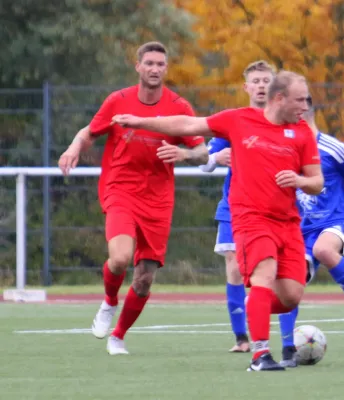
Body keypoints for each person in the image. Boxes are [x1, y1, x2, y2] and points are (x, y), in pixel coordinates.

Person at [112, 70, 324, 371]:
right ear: (279, 99)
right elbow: (186, 123)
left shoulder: (301, 132)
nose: (305, 106)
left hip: (288, 222)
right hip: (250, 217)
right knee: (264, 273)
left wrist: (300, 180)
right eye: (300, 100)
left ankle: (255, 307)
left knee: (290, 296)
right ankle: (260, 355)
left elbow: (317, 182)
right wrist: (139, 121)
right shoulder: (239, 119)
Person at [57, 41, 208, 355]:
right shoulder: (118, 100)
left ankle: (118, 336)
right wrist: (73, 147)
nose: (154, 69)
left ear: (166, 69)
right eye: (149, 63)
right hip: (120, 189)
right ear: (138, 66)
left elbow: (202, 150)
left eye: (160, 64)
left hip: (158, 199)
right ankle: (109, 301)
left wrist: (182, 153)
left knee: (144, 279)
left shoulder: (179, 106)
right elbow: (90, 131)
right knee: (121, 258)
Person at [277, 95, 344, 368]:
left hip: (334, 222)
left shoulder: (333, 148)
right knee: (289, 283)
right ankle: (287, 350)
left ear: (303, 111)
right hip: (301, 230)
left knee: (323, 249)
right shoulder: (286, 149)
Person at [198, 60, 276, 353]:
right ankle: (242, 338)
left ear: (274, 85)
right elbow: (204, 162)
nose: (260, 86)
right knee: (234, 266)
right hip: (234, 207)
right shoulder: (234, 123)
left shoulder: (283, 123)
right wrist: (215, 159)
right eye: (255, 81)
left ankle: (282, 337)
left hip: (273, 208)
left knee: (270, 273)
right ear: (246, 87)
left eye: (266, 80)